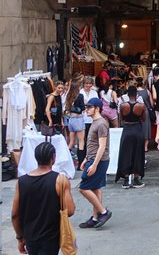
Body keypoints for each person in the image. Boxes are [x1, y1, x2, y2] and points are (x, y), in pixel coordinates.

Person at [12, 142, 75, 254]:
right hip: (51, 237)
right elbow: (70, 211)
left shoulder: (21, 182)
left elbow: (15, 215)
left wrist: (20, 238)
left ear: (36, 158)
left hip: (30, 236)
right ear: (53, 158)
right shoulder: (60, 180)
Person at [78, 97, 113, 229]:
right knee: (95, 188)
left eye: (89, 107)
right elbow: (92, 143)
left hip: (99, 160)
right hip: (92, 158)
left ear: (97, 108)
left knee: (83, 187)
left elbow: (102, 146)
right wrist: (86, 158)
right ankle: (95, 217)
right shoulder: (95, 122)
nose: (86, 110)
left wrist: (94, 164)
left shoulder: (101, 123)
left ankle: (103, 212)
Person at [116, 86, 147, 189]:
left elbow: (121, 119)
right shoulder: (141, 106)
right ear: (136, 94)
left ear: (127, 94)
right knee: (137, 154)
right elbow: (143, 119)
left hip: (127, 129)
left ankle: (125, 180)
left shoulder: (123, 105)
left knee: (126, 154)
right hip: (137, 129)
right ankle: (136, 179)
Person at [136, 77, 154, 151]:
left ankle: (138, 146)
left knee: (138, 128)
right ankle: (145, 147)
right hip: (146, 111)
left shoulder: (134, 92)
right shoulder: (147, 91)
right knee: (146, 129)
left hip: (136, 111)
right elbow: (152, 103)